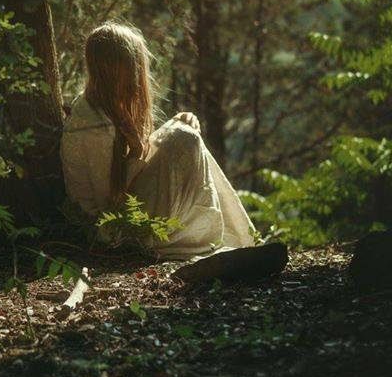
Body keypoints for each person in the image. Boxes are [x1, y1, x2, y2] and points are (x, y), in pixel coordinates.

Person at [60, 22, 287, 281]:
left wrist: (175, 125)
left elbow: (130, 170)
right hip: (112, 231)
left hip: (123, 219)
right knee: (183, 137)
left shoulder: (102, 111)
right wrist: (139, 148)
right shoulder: (91, 126)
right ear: (121, 69)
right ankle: (225, 245)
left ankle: (239, 242)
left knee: (181, 131)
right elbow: (110, 205)